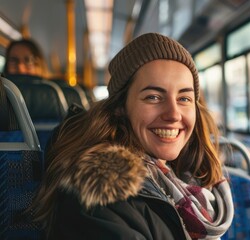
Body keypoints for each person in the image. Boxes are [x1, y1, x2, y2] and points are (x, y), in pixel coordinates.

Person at [33, 32, 234, 240]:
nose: (173, 114)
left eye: (184, 98)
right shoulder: (101, 193)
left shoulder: (187, 175)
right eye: (153, 97)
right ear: (120, 107)